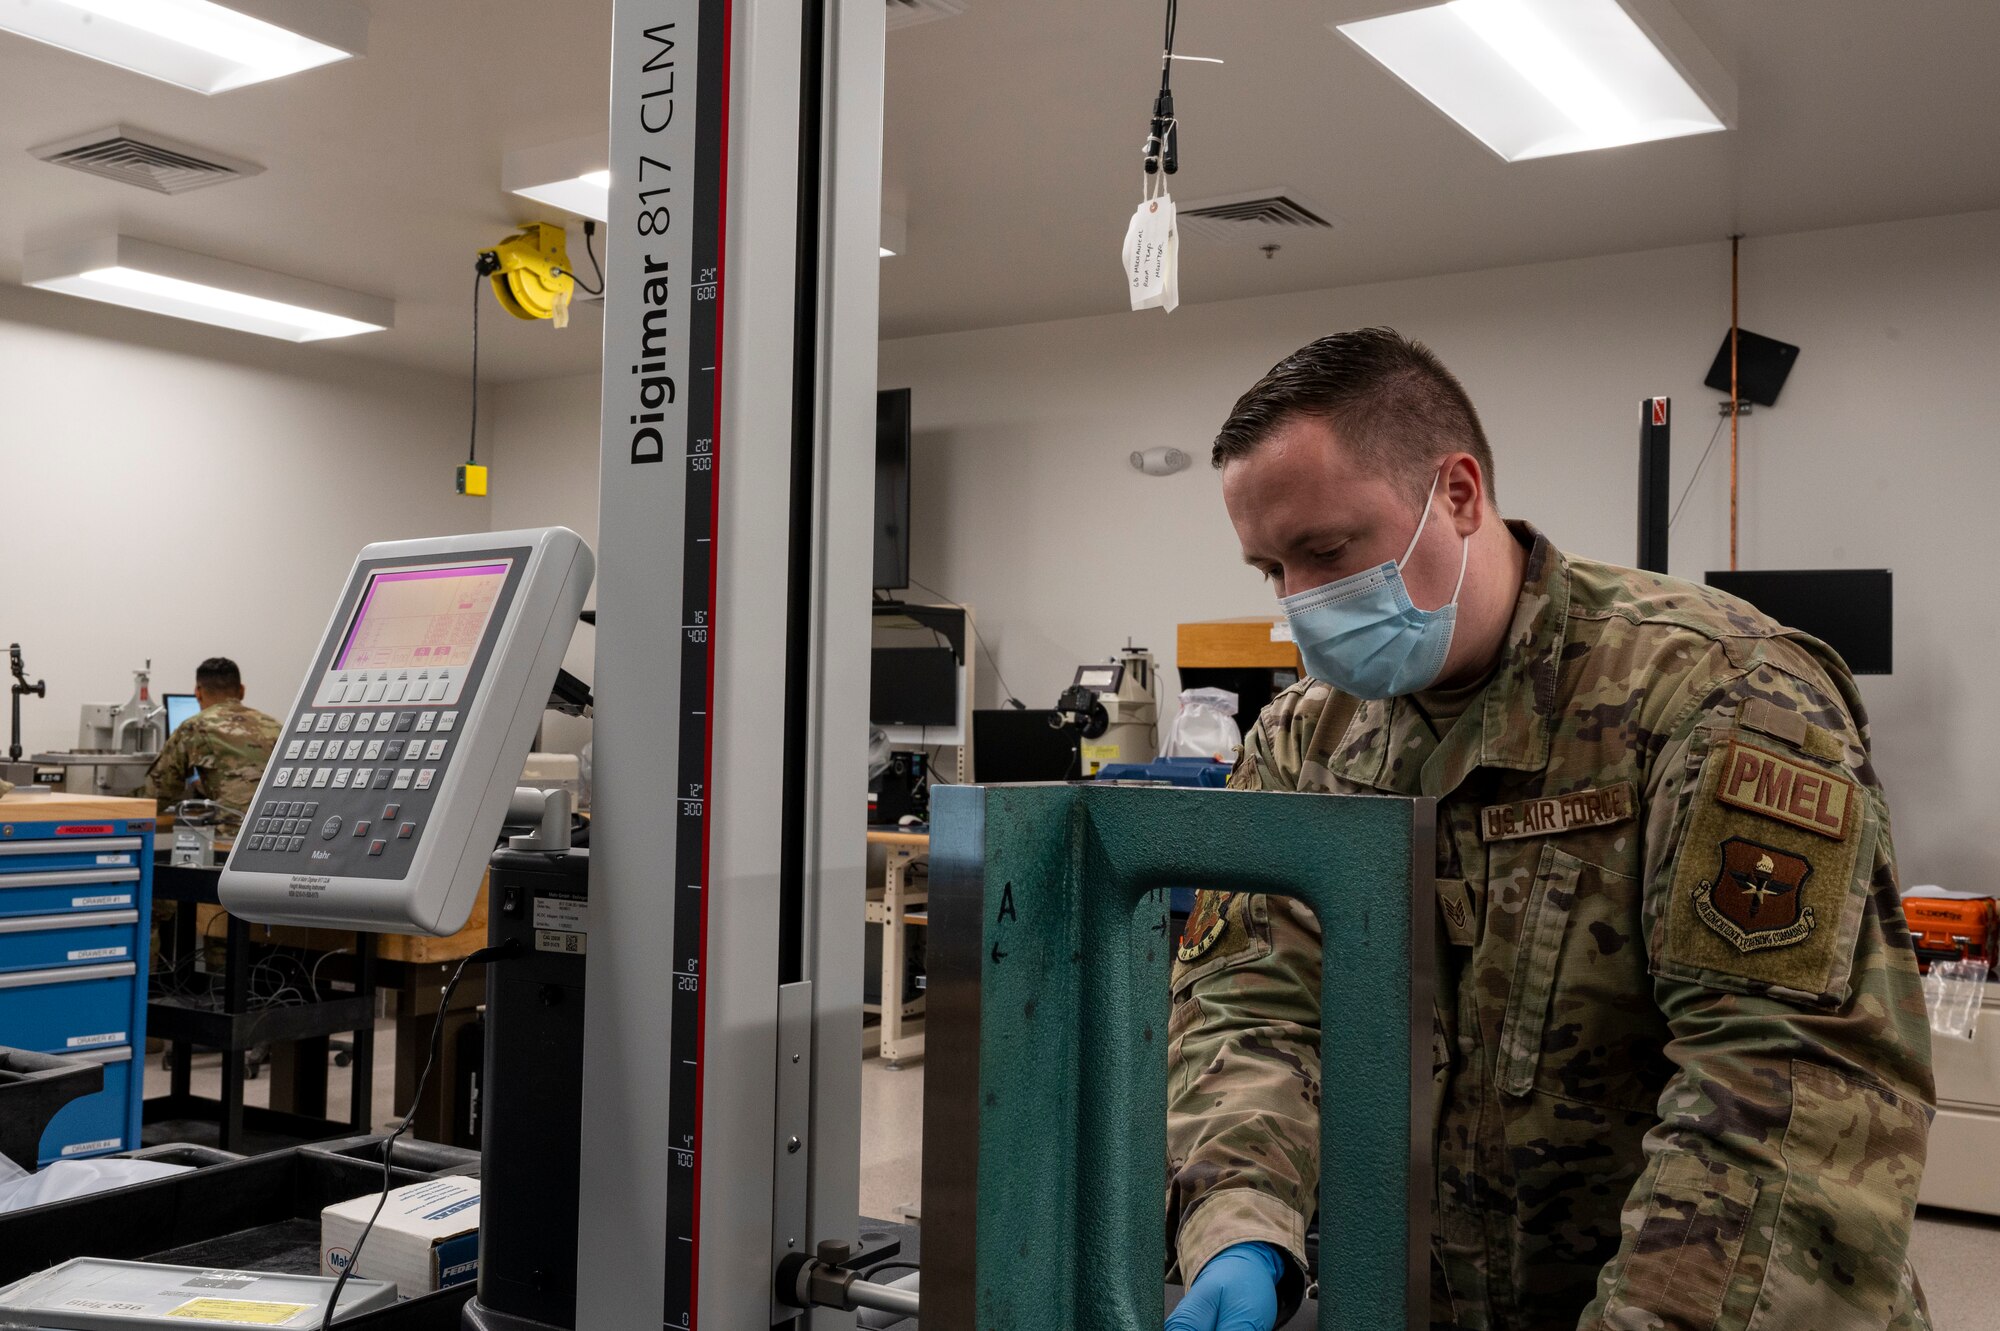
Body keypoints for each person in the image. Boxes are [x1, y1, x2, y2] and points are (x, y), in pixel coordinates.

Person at [1164, 329, 1933, 1331]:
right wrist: (1239, 1219)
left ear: (1457, 493)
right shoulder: (1306, 741)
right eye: (1270, 567)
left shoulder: (1717, 696)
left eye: (1325, 550)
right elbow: (1245, 1005)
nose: (1299, 602)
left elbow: (1784, 1090)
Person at [141, 657, 282, 835]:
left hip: (233, 840)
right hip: (280, 835)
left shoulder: (194, 727)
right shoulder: (275, 726)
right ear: (242, 691)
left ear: (198, 692)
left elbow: (156, 796)